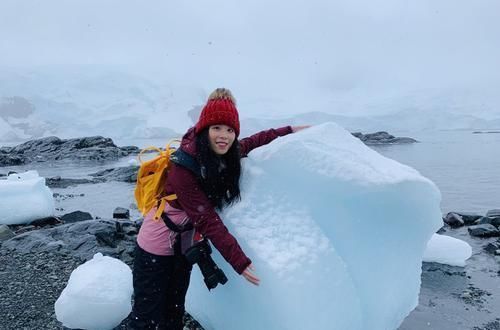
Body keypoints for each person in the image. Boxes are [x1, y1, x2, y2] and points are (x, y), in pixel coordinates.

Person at [128, 88, 309, 329]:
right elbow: (207, 220)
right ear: (205, 130)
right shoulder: (184, 166)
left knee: (174, 311)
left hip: (183, 245)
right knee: (148, 316)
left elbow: (253, 141)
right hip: (155, 247)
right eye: (217, 128)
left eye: (230, 129)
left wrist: (288, 131)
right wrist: (239, 261)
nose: (224, 135)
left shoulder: (225, 153)